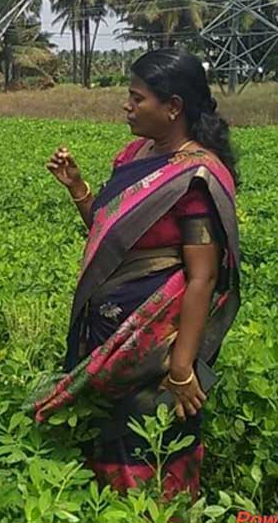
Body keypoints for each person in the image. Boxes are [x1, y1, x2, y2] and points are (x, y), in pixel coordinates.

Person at [33, 48, 241, 499]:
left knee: (151, 441)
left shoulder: (196, 178)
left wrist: (182, 367)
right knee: (103, 443)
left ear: (173, 108)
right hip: (107, 330)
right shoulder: (133, 156)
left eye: (137, 98)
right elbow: (110, 235)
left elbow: (202, 277)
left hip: (156, 342)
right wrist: (78, 189)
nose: (126, 106)